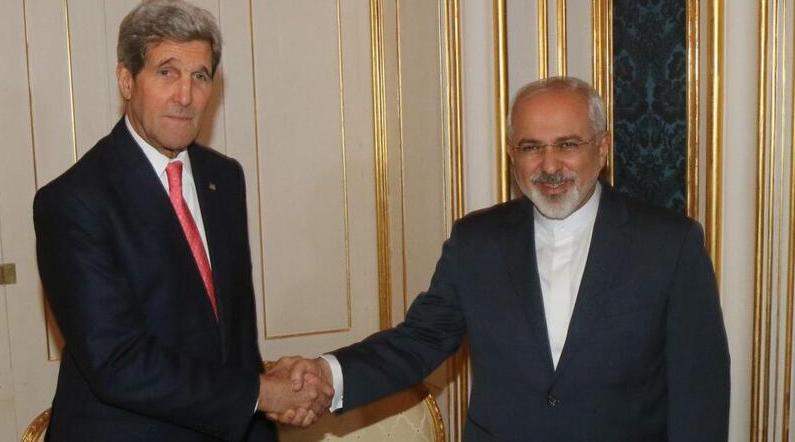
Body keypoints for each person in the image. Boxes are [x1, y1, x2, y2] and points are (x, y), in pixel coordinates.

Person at [271, 76, 731, 441]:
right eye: (531, 147)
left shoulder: (670, 245)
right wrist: (326, 374)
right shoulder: (476, 241)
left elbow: (700, 392)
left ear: (603, 147)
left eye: (567, 144)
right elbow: (418, 342)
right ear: (513, 154)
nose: (549, 165)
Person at [33, 0, 331, 441]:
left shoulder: (223, 178)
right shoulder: (73, 201)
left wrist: (265, 402)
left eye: (200, 76)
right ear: (127, 80)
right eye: (166, 73)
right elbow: (118, 361)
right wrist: (261, 394)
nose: (185, 96)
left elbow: (234, 337)